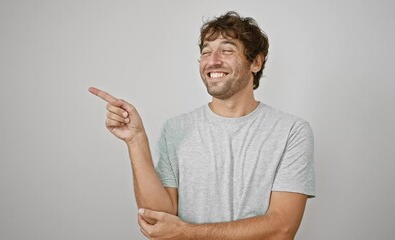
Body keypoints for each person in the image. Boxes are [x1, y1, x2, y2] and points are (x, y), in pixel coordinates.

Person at [89, 11, 315, 240]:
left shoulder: (291, 131)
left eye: (227, 50)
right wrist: (136, 140)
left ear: (256, 62)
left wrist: (186, 233)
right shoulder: (175, 129)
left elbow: (281, 228)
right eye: (206, 51)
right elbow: (158, 221)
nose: (213, 60)